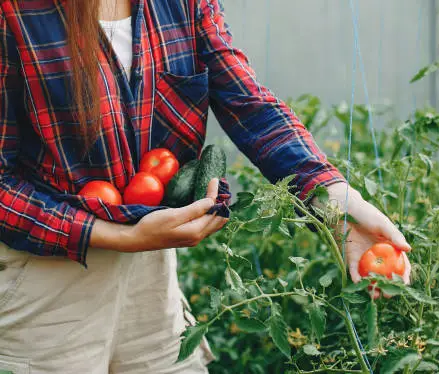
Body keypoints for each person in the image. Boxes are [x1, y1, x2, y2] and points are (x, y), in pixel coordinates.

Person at [0, 0, 411, 372]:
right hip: (46, 280)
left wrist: (336, 202)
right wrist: (115, 235)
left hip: (151, 274)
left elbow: (250, 105)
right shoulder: (15, 13)